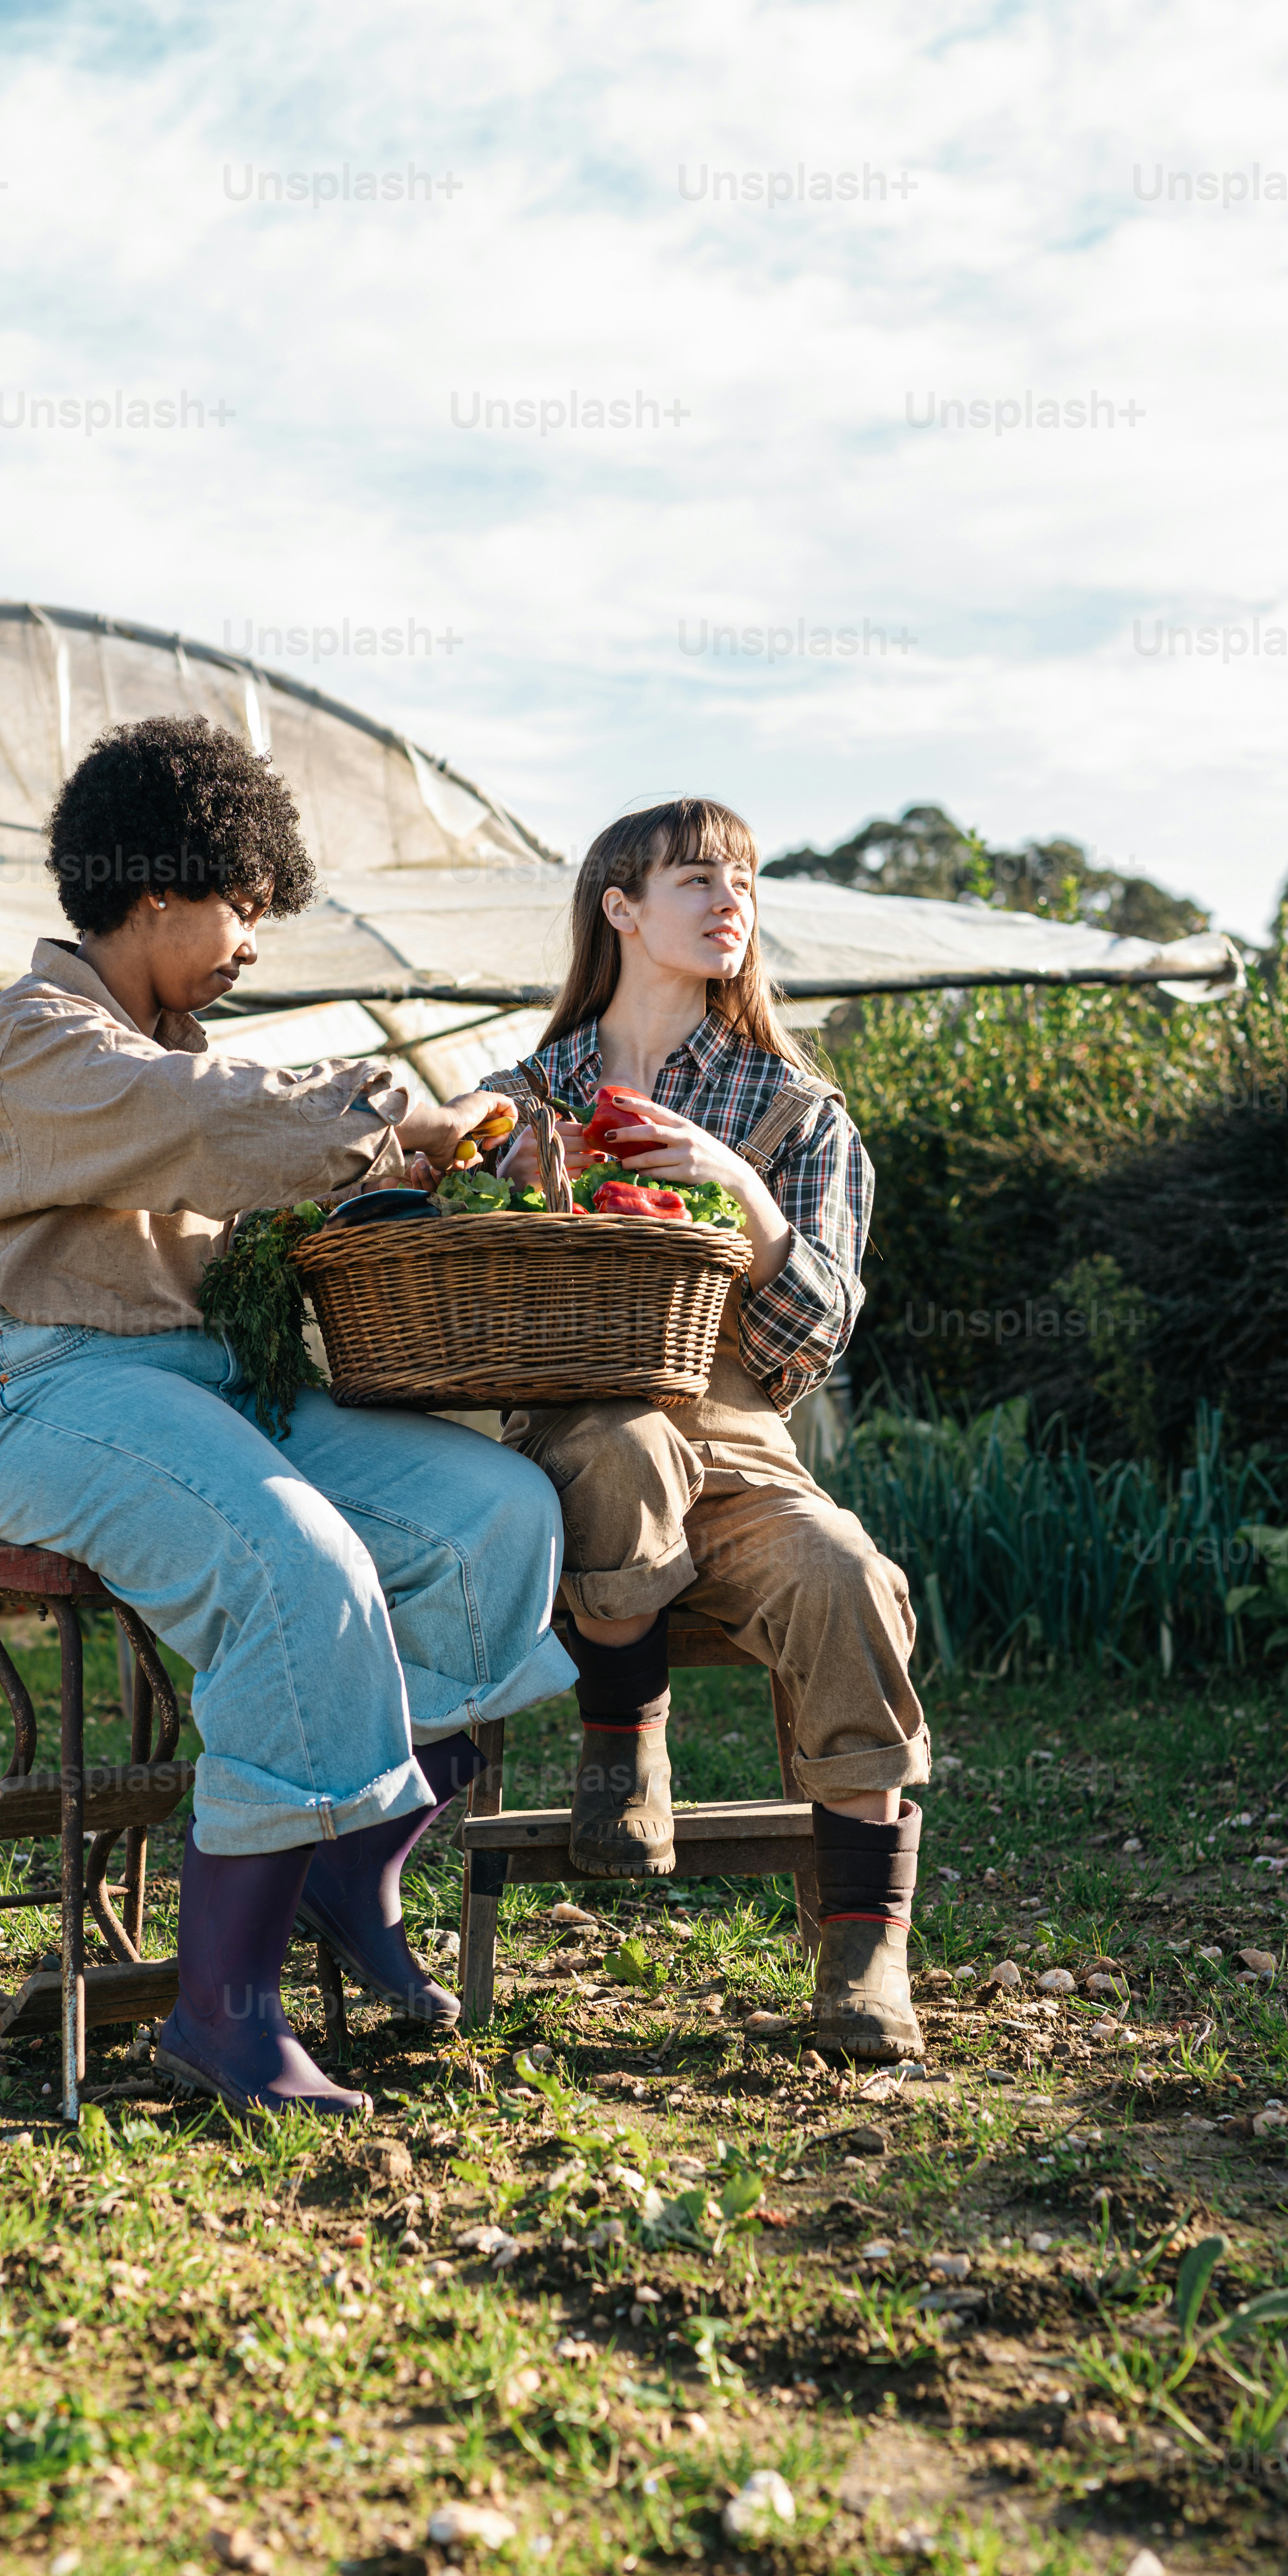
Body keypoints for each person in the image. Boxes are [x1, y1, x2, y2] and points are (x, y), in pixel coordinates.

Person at [0, 715, 575, 2115]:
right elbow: (204, 1117)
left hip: (207, 1386)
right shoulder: (34, 1046)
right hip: (39, 1389)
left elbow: (234, 1143)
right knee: (290, 1560)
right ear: (158, 894)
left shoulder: (165, 1056)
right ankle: (223, 2014)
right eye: (243, 905)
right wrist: (388, 1120)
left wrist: (418, 1173)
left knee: (494, 1518)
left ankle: (352, 1865)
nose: (253, 940)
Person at [484, 797, 930, 2061]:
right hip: (563, 1439)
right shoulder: (521, 1099)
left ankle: (862, 1952)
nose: (731, 901)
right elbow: (433, 1256)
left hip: (736, 1441)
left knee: (845, 1576)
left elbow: (804, 1348)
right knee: (617, 1440)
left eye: (743, 880)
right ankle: (625, 1746)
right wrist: (511, 1176)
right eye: (695, 879)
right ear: (618, 907)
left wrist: (738, 1191)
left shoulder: (796, 1116)